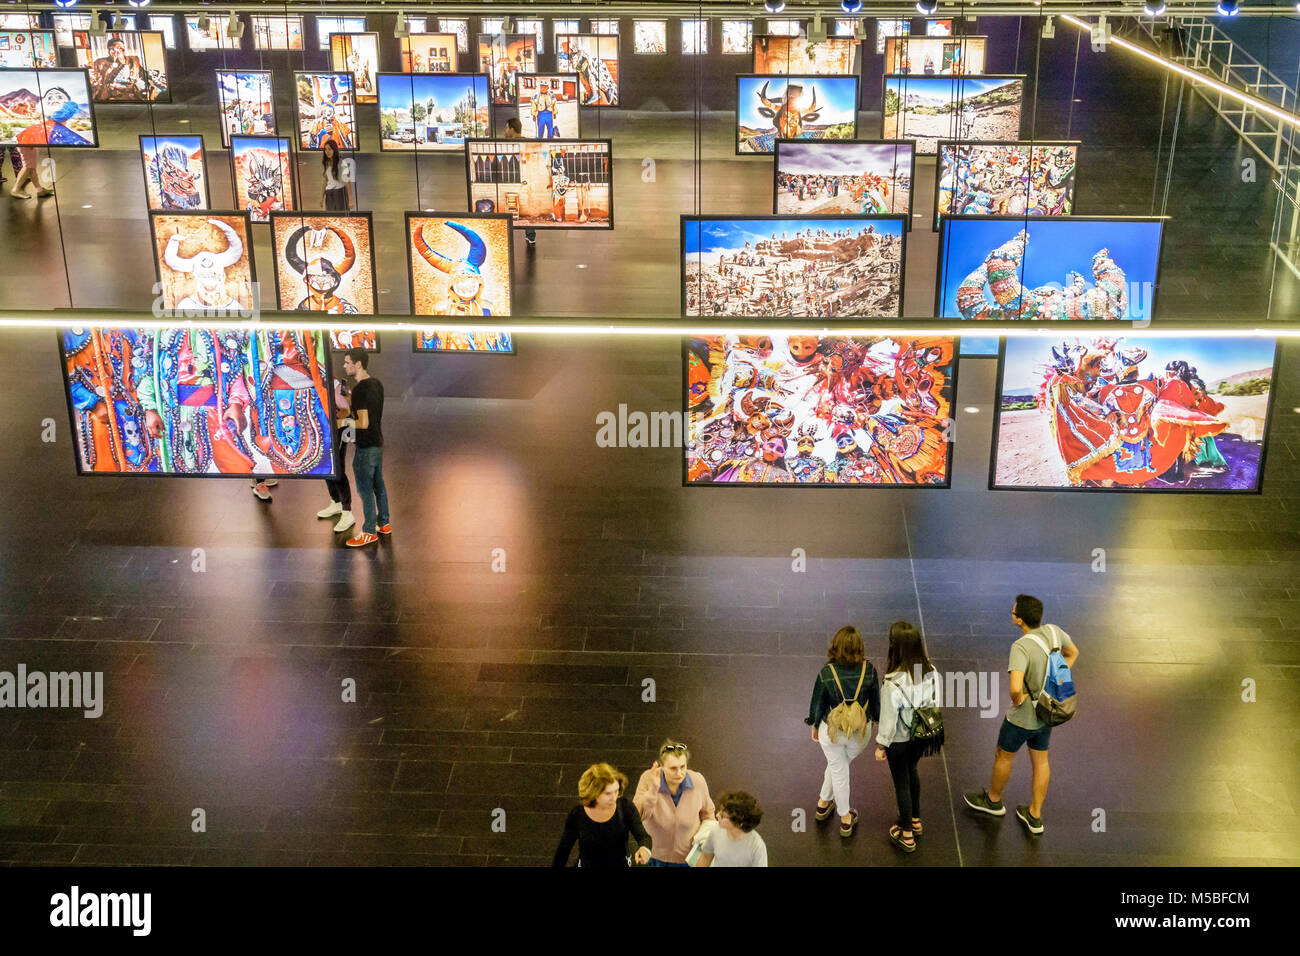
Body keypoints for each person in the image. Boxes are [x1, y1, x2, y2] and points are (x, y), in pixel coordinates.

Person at [965, 594, 1079, 835]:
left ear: (1020, 621)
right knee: (1041, 761)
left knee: (1003, 756)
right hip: (1047, 713)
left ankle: (993, 801)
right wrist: (1054, 680)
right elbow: (1073, 653)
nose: (1012, 613)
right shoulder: (1055, 632)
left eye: (1014, 612)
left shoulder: (1021, 647)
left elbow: (1016, 688)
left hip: (1022, 718)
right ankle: (1035, 815)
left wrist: (1019, 699)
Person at [805, 625, 881, 837]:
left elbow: (817, 706)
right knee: (839, 766)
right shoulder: (870, 671)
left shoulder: (826, 673)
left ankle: (838, 814)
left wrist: (814, 725)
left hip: (831, 733)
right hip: (859, 734)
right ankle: (832, 809)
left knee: (838, 767)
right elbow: (876, 707)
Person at [874, 621, 941, 853]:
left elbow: (888, 721)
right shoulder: (931, 671)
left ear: (894, 646)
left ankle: (906, 834)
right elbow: (935, 704)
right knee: (912, 773)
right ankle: (916, 819)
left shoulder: (892, 682)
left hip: (900, 742)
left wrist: (881, 745)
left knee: (901, 782)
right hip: (921, 738)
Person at [632, 739, 714, 867]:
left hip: (688, 858)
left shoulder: (698, 780)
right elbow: (638, 815)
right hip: (655, 856)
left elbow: (709, 815)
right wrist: (653, 790)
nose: (679, 773)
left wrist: (704, 844)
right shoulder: (648, 778)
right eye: (673, 768)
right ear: (661, 766)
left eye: (683, 767)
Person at [553, 763, 653, 867]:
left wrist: (645, 849)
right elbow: (563, 850)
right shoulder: (578, 814)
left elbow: (643, 836)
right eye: (608, 793)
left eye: (616, 791)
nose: (614, 798)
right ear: (593, 793)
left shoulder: (625, 807)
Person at [341, 348, 388, 547]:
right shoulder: (376, 384)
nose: (344, 366)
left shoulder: (360, 389)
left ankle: (369, 531)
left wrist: (342, 423)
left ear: (358, 363)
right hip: (377, 442)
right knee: (379, 485)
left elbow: (363, 422)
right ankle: (384, 523)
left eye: (347, 362)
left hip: (365, 446)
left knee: (365, 490)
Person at [316, 377, 355, 533]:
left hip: (340, 429)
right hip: (327, 429)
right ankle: (336, 502)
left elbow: (346, 409)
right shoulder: (314, 379)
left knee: (338, 468)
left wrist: (334, 418)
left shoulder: (334, 383)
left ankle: (347, 511)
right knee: (326, 466)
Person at [694, 791, 767, 867]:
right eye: (719, 811)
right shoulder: (716, 831)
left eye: (722, 816)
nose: (717, 815)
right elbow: (705, 857)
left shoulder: (757, 847)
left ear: (739, 822)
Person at [502, 118, 536, 248]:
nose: (505, 131)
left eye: (506, 128)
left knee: (526, 207)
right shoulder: (507, 143)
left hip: (520, 179)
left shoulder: (516, 143)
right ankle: (530, 236)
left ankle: (530, 235)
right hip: (512, 179)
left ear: (511, 128)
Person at [321, 139, 353, 211]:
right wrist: (322, 198)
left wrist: (350, 200)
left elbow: (347, 182)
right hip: (329, 194)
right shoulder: (326, 163)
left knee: (342, 217)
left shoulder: (342, 163)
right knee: (332, 219)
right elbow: (325, 181)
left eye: (329, 149)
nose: (327, 152)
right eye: (325, 149)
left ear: (334, 150)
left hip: (339, 193)